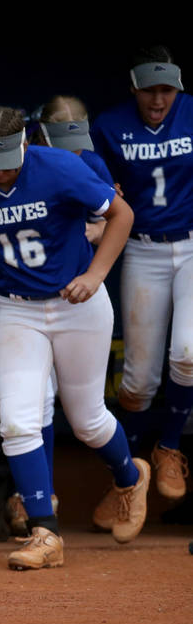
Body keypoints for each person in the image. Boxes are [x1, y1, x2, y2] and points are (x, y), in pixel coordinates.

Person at [0, 106, 148, 570]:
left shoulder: (61, 167)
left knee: (87, 421)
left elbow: (122, 215)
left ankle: (130, 477)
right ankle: (44, 533)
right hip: (17, 310)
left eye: (9, 160)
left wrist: (96, 274)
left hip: (78, 305)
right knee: (17, 420)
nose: (1, 171)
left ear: (26, 144)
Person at [0, 95, 117, 534]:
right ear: (38, 134)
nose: (74, 155)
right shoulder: (5, 157)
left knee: (84, 415)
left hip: (66, 283)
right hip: (9, 284)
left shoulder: (88, 160)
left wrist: (92, 231)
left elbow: (112, 215)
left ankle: (126, 476)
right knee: (31, 397)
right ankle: (37, 502)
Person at [91, 46, 193, 509]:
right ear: (134, 88)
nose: (158, 99)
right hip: (142, 246)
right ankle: (128, 476)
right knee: (137, 383)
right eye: (150, 89)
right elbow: (101, 191)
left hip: (192, 243)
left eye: (166, 89)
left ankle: (169, 447)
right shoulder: (110, 125)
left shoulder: (190, 113)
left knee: (188, 354)